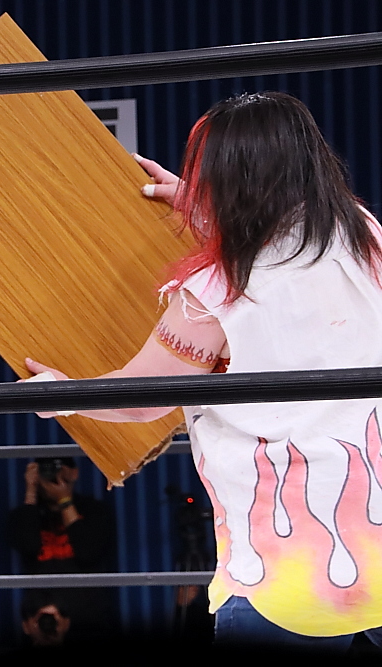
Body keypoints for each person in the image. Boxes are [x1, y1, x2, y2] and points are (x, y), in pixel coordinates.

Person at [24, 92, 382, 652]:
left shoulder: (215, 290)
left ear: (226, 180)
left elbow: (142, 398)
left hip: (283, 561)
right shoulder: (363, 236)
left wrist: (58, 394)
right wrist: (205, 212)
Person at [4, 457, 116, 642]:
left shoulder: (95, 511)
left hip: (89, 621)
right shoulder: (24, 515)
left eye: (58, 468)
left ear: (74, 473)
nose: (52, 474)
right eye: (46, 469)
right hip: (40, 622)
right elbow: (28, 546)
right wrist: (31, 491)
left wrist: (65, 500)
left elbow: (88, 552)